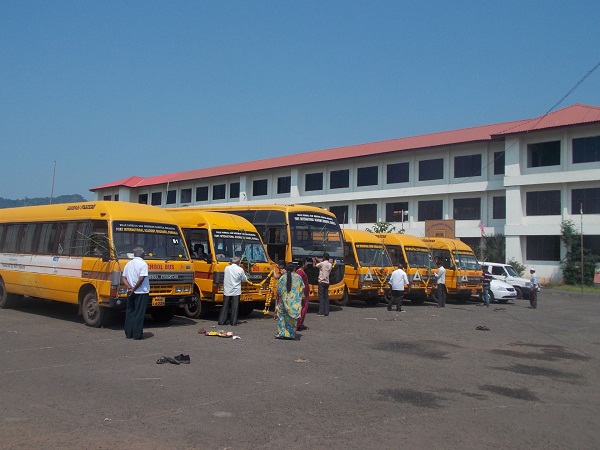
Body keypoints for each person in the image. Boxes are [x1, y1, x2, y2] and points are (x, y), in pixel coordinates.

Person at [122, 247, 150, 340]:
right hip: (141, 291)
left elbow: (124, 278)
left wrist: (129, 287)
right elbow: (141, 278)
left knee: (130, 312)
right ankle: (137, 334)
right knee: (139, 313)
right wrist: (134, 288)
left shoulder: (128, 264)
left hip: (130, 292)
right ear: (142, 254)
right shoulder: (143, 264)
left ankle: (128, 333)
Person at [274, 262, 303, 340]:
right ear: (294, 269)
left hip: (284, 301)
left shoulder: (283, 277)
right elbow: (301, 290)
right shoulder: (298, 277)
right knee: (292, 319)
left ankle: (282, 333)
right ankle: (291, 334)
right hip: (294, 302)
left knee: (282, 316)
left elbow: (278, 289)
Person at [218, 256, 248, 326]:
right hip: (236, 290)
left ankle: (222, 321)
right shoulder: (240, 269)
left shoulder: (227, 268)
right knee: (235, 307)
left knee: (225, 306)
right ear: (238, 262)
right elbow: (244, 279)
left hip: (227, 289)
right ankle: (233, 322)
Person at [313, 253, 332, 317]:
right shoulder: (330, 265)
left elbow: (314, 266)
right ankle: (326, 311)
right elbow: (322, 264)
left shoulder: (322, 264)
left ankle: (321, 312)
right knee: (326, 297)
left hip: (321, 282)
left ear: (323, 257)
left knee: (321, 297)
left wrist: (314, 261)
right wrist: (318, 260)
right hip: (327, 282)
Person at [296, 258, 311, 331]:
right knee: (302, 308)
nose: (307, 264)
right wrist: (302, 294)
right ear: (303, 264)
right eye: (306, 262)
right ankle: (298, 324)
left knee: (303, 308)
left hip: (305, 292)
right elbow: (299, 283)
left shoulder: (301, 271)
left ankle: (300, 323)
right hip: (303, 293)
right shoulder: (300, 272)